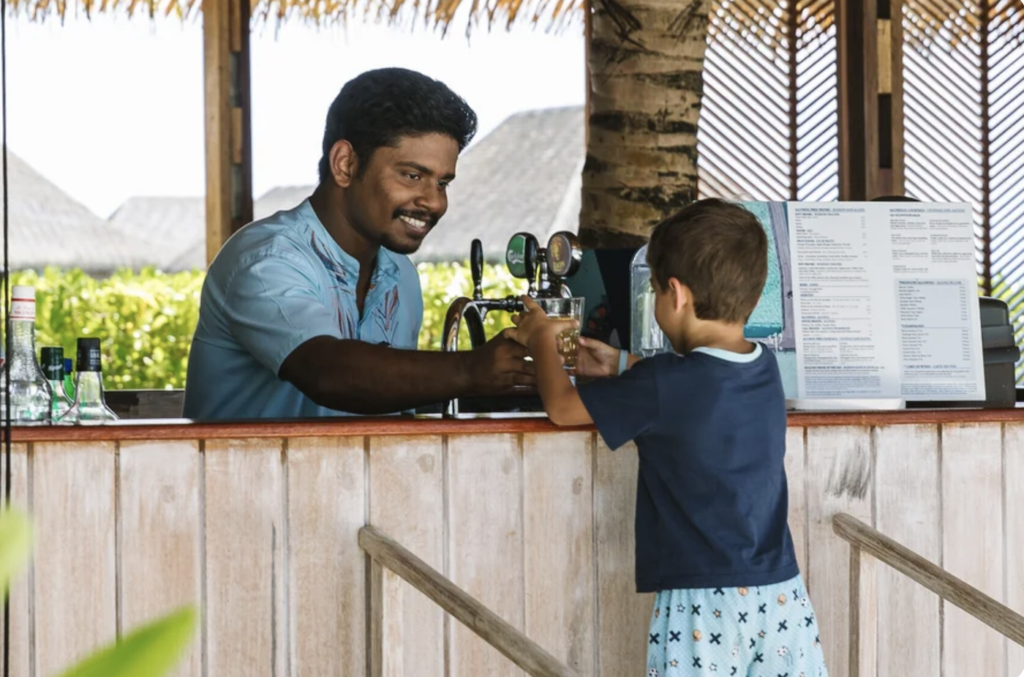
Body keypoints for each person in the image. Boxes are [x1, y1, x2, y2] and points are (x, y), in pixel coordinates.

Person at [508, 198, 829, 677]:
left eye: (655, 290)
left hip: (703, 604)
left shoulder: (662, 385)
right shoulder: (762, 367)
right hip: (780, 595)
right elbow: (698, 385)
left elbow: (561, 408)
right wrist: (618, 363)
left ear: (675, 294)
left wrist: (541, 340)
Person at [183, 68, 533, 420]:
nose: (434, 202)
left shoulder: (400, 275)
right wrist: (471, 370)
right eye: (412, 176)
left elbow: (388, 400)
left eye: (442, 183)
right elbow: (327, 373)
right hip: (241, 475)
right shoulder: (267, 260)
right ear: (345, 164)